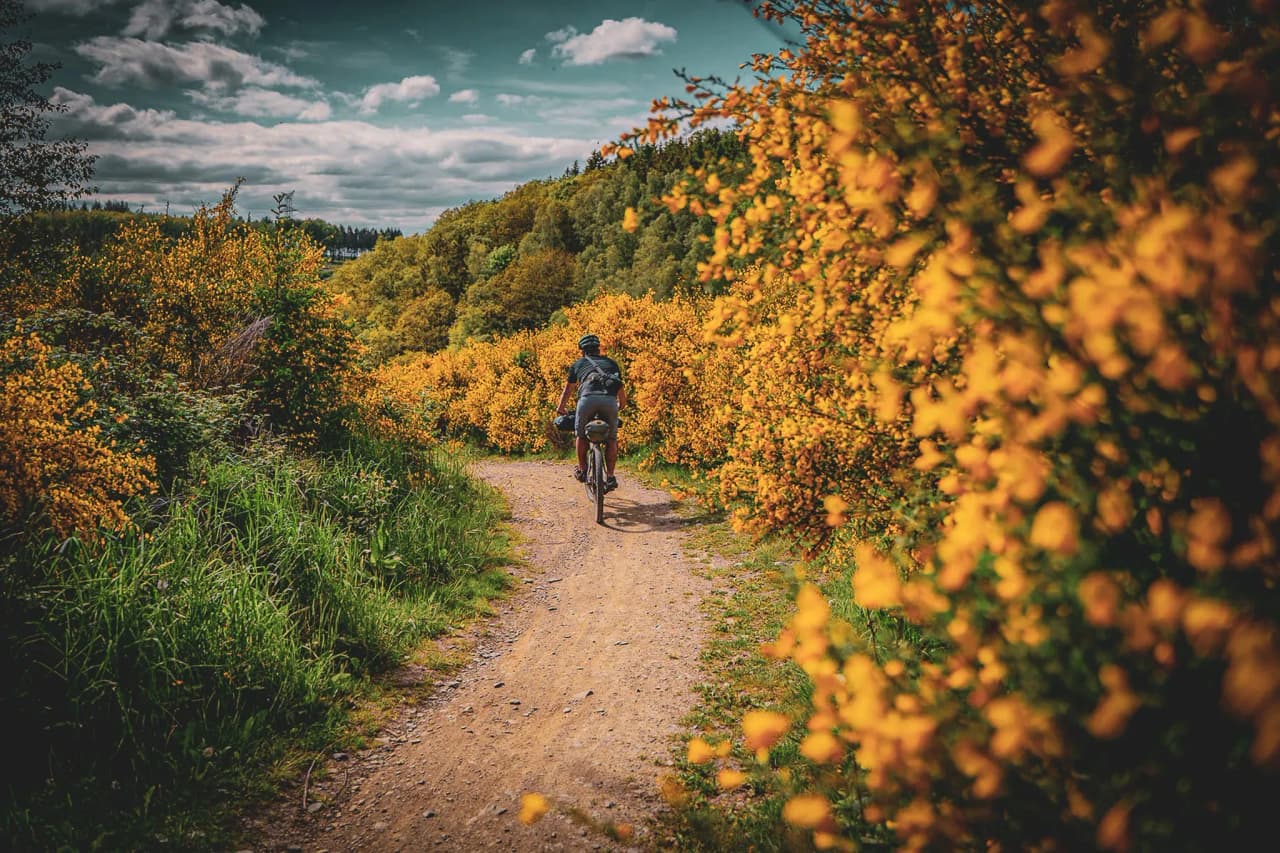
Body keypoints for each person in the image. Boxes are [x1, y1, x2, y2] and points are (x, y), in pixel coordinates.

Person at [556, 333, 626, 491]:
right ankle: (610, 477)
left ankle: (582, 470)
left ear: (582, 351)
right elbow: (620, 387)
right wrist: (619, 406)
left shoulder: (578, 364)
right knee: (611, 439)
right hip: (609, 401)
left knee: (581, 436)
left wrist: (561, 408)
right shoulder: (612, 364)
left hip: (587, 400)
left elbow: (568, 391)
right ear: (598, 349)